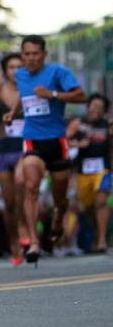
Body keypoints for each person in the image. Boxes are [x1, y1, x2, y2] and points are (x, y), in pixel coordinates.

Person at [3, 34, 86, 266]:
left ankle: (59, 219)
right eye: (26, 54)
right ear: (22, 55)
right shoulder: (20, 75)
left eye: (35, 54)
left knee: (60, 199)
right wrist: (13, 112)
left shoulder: (58, 72)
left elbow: (81, 96)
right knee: (31, 186)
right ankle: (35, 241)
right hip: (32, 140)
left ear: (44, 55)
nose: (31, 59)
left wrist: (54, 95)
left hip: (57, 142)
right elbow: (24, 96)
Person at [0, 52, 28, 265]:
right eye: (11, 67)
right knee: (9, 203)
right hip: (3, 149)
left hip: (25, 148)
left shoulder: (30, 88)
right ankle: (14, 242)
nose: (16, 71)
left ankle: (24, 228)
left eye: (20, 66)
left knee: (21, 182)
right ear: (5, 70)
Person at [66, 93, 111, 253]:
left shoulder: (107, 125)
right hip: (82, 171)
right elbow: (64, 142)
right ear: (88, 106)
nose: (96, 110)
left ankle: (101, 241)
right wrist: (77, 144)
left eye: (100, 107)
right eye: (93, 106)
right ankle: (98, 233)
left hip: (103, 169)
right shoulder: (78, 123)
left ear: (104, 111)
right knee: (88, 208)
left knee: (101, 202)